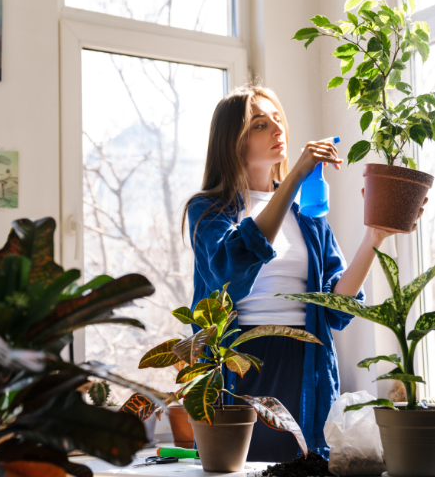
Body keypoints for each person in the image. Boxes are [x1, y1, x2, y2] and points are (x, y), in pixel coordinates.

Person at [181, 85, 427, 462]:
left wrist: (374, 236)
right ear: (233, 141)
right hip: (239, 366)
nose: (277, 130)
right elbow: (232, 266)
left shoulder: (306, 215)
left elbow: (336, 307)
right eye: (261, 124)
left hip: (306, 364)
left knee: (304, 466)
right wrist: (296, 176)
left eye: (278, 119)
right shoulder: (209, 211)